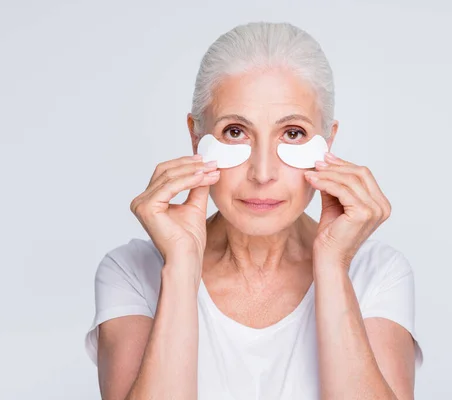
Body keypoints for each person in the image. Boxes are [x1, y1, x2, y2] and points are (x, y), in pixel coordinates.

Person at [84, 21, 423, 400]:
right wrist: (180, 266)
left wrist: (331, 265)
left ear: (328, 142)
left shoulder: (377, 274)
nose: (263, 174)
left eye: (293, 133)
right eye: (235, 132)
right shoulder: (130, 272)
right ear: (196, 137)